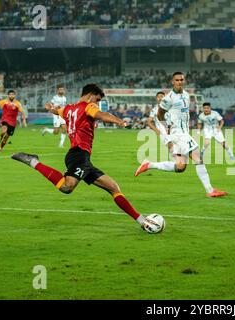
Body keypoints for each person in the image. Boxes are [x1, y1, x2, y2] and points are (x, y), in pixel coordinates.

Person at [11, 84, 156, 232]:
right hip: (79, 155)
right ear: (90, 95)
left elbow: (58, 111)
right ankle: (33, 161)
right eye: (97, 100)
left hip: (80, 157)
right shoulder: (88, 106)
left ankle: (142, 221)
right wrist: (119, 121)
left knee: (114, 188)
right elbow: (102, 115)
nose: (97, 104)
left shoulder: (68, 108)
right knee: (67, 187)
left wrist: (51, 109)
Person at [134, 72, 227, 198]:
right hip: (178, 133)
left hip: (183, 132)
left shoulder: (187, 95)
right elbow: (160, 114)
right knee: (197, 157)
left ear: (184, 81)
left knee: (180, 166)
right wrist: (166, 126)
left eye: (181, 79)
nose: (179, 82)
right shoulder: (169, 98)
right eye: (177, 80)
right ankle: (210, 190)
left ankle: (149, 164)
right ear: (173, 82)